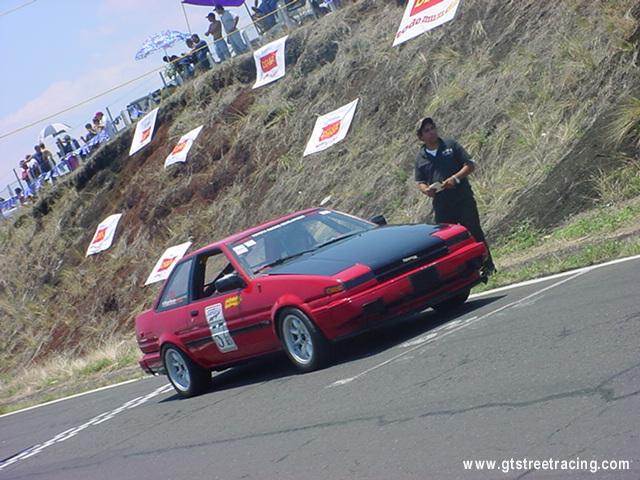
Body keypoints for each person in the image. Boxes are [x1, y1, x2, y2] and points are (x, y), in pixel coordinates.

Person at [414, 117, 496, 275]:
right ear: (421, 136)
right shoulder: (421, 157)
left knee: (474, 231)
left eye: (432, 128)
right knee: (449, 239)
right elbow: (420, 181)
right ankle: (463, 271)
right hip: (442, 204)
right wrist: (426, 190)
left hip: (462, 198)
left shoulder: (450, 145)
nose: (431, 132)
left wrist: (455, 178)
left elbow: (470, 164)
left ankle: (488, 266)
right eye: (427, 130)